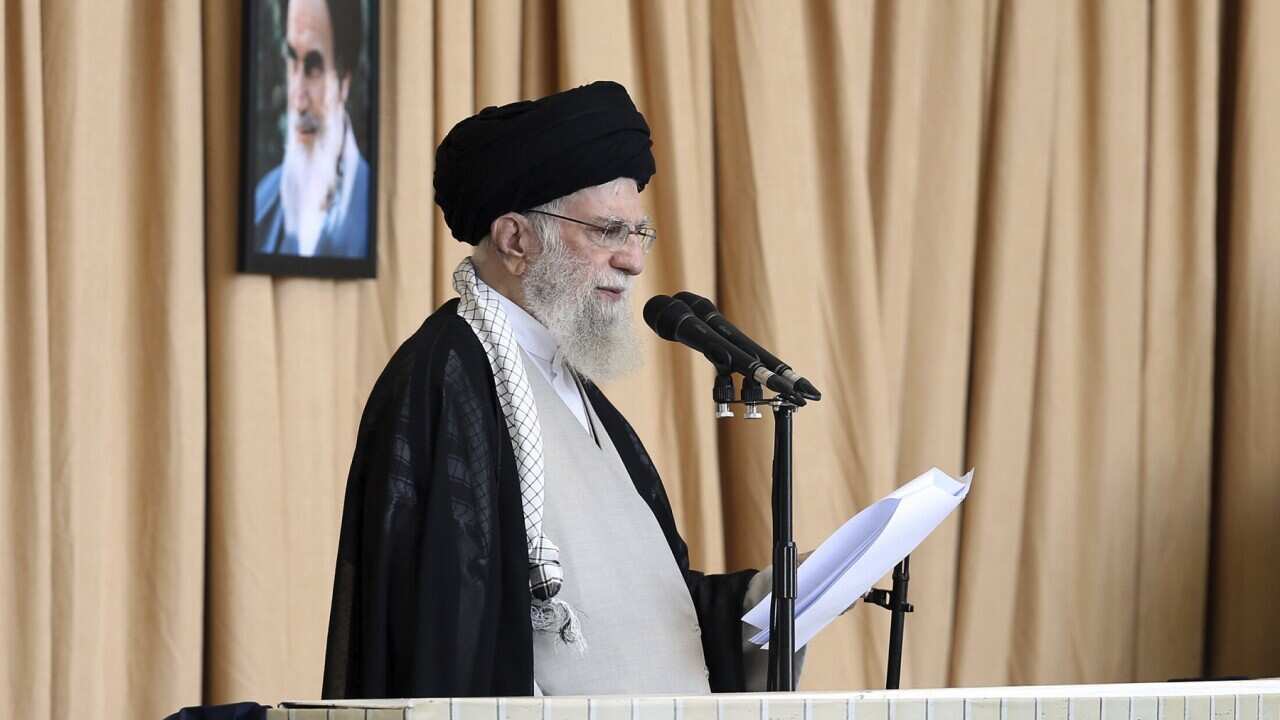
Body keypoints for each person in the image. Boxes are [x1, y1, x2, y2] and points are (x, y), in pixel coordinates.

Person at [322, 81, 792, 698]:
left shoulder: (573, 384)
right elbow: (443, 632)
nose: (633, 261)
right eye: (607, 232)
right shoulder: (447, 377)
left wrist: (776, 596)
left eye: (637, 233)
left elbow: (644, 613)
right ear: (516, 239)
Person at [254, 0, 371, 258]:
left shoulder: (376, 208)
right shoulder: (261, 205)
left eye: (314, 67)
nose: (298, 100)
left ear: (344, 80)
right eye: (292, 61)